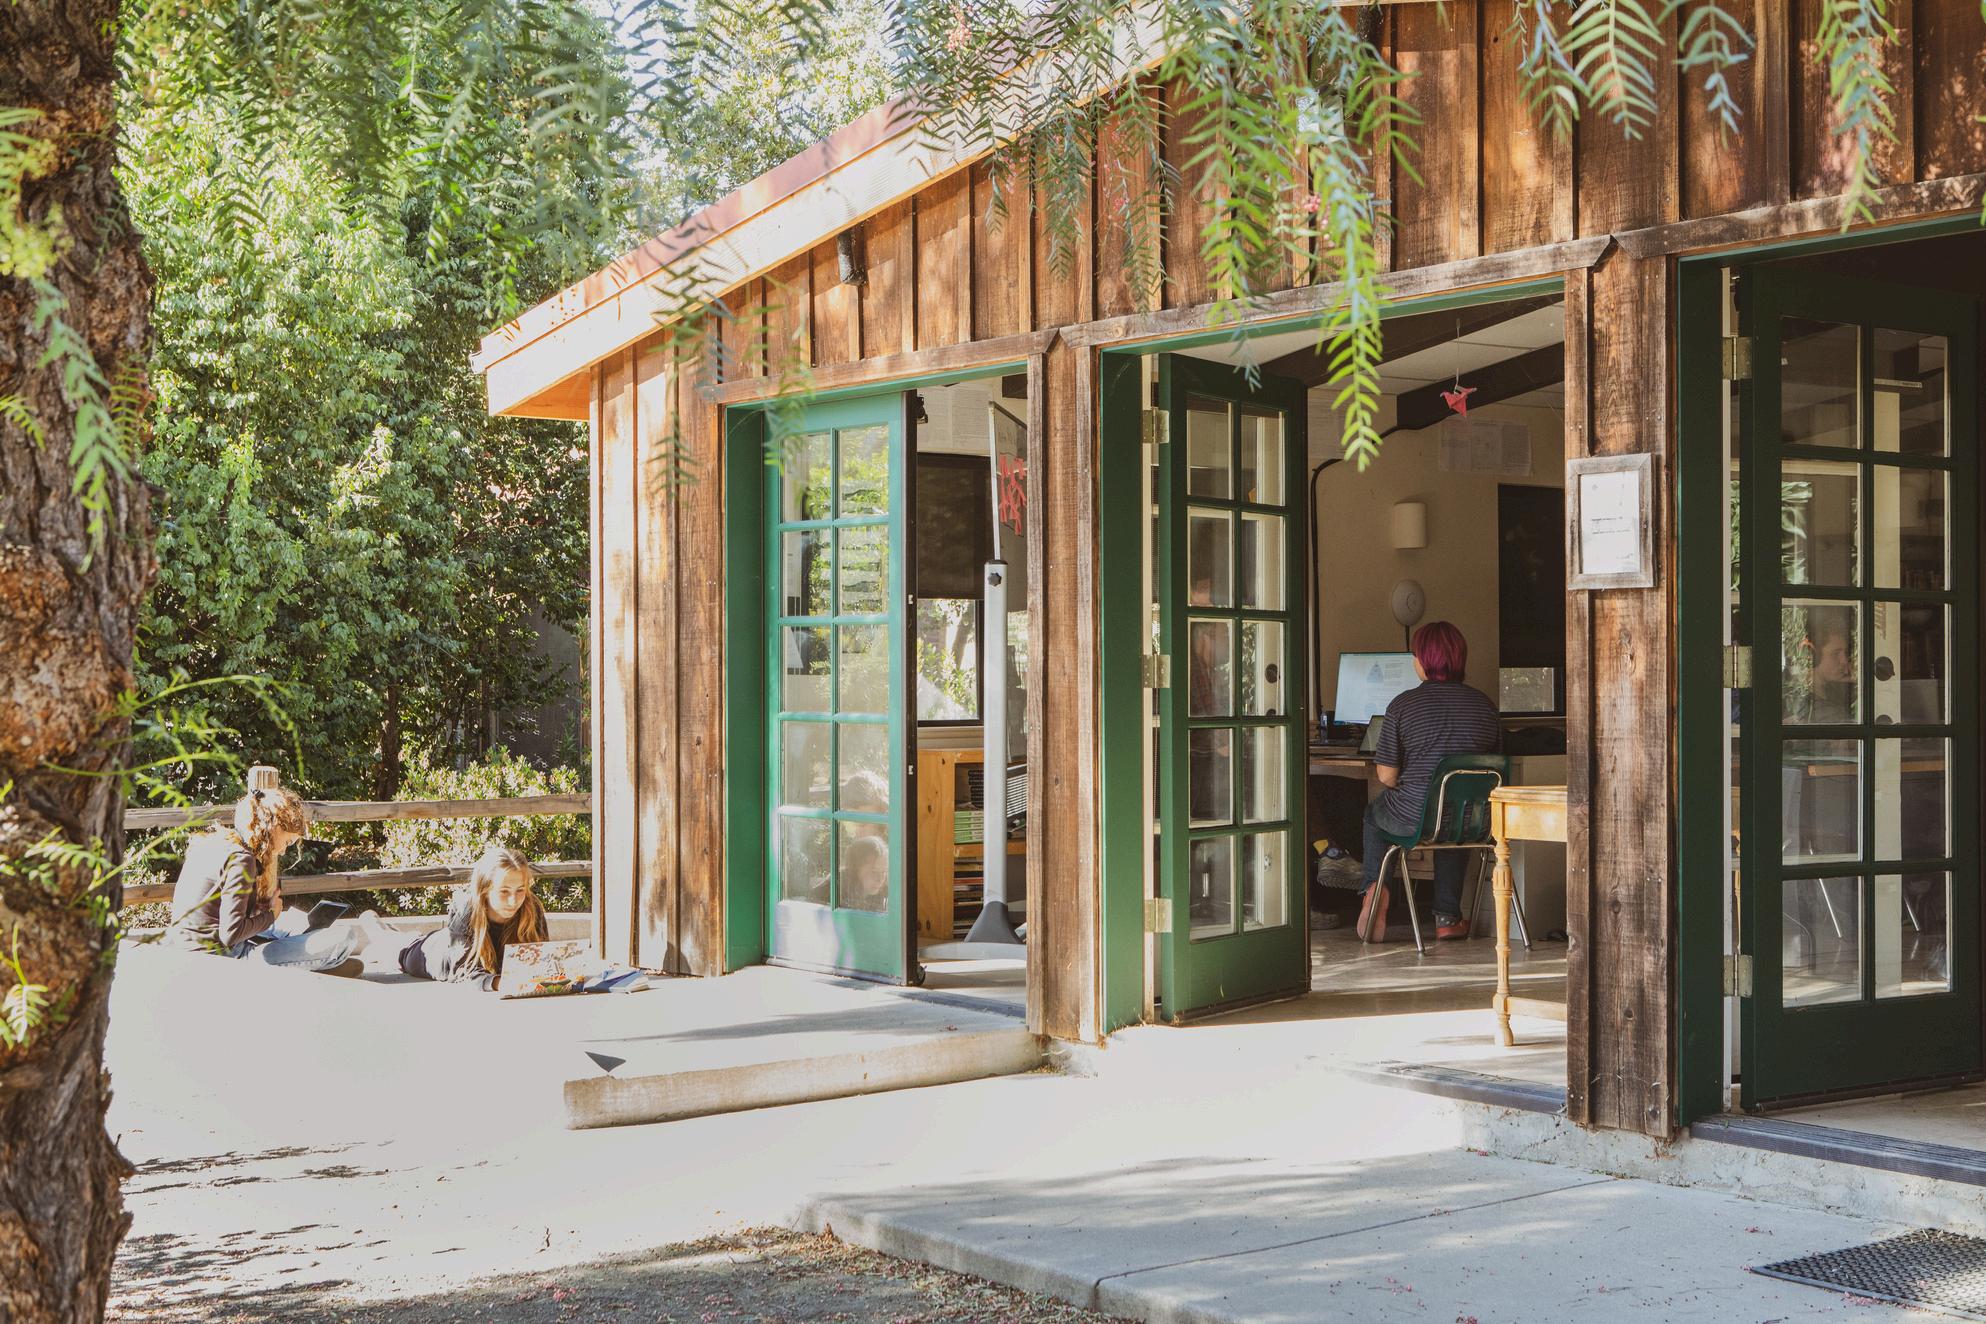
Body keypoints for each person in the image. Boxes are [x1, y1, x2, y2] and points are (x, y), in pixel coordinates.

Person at [1355, 621, 1502, 943]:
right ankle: (1447, 918)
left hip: (1415, 819)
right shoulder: (1486, 706)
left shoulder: (1403, 705)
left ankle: (1375, 889)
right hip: (1474, 823)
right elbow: (1492, 771)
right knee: (1455, 814)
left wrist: (1411, 784)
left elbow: (1386, 775)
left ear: (1423, 660)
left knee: (1373, 815)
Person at [165, 785, 367, 974]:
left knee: (288, 929)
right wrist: (271, 915)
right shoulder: (241, 859)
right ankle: (317, 966)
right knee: (345, 937)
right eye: (288, 841)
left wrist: (258, 910)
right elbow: (231, 933)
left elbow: (216, 914)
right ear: (274, 827)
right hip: (221, 960)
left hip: (187, 951)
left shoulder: (216, 843)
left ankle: (315, 964)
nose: (284, 850)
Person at [397, 844, 550, 990]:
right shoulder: (466, 910)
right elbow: (464, 971)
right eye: (504, 891)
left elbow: (544, 962)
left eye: (520, 890)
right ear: (485, 889)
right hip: (433, 952)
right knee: (395, 949)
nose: (513, 901)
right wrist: (503, 983)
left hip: (467, 952)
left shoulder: (531, 908)